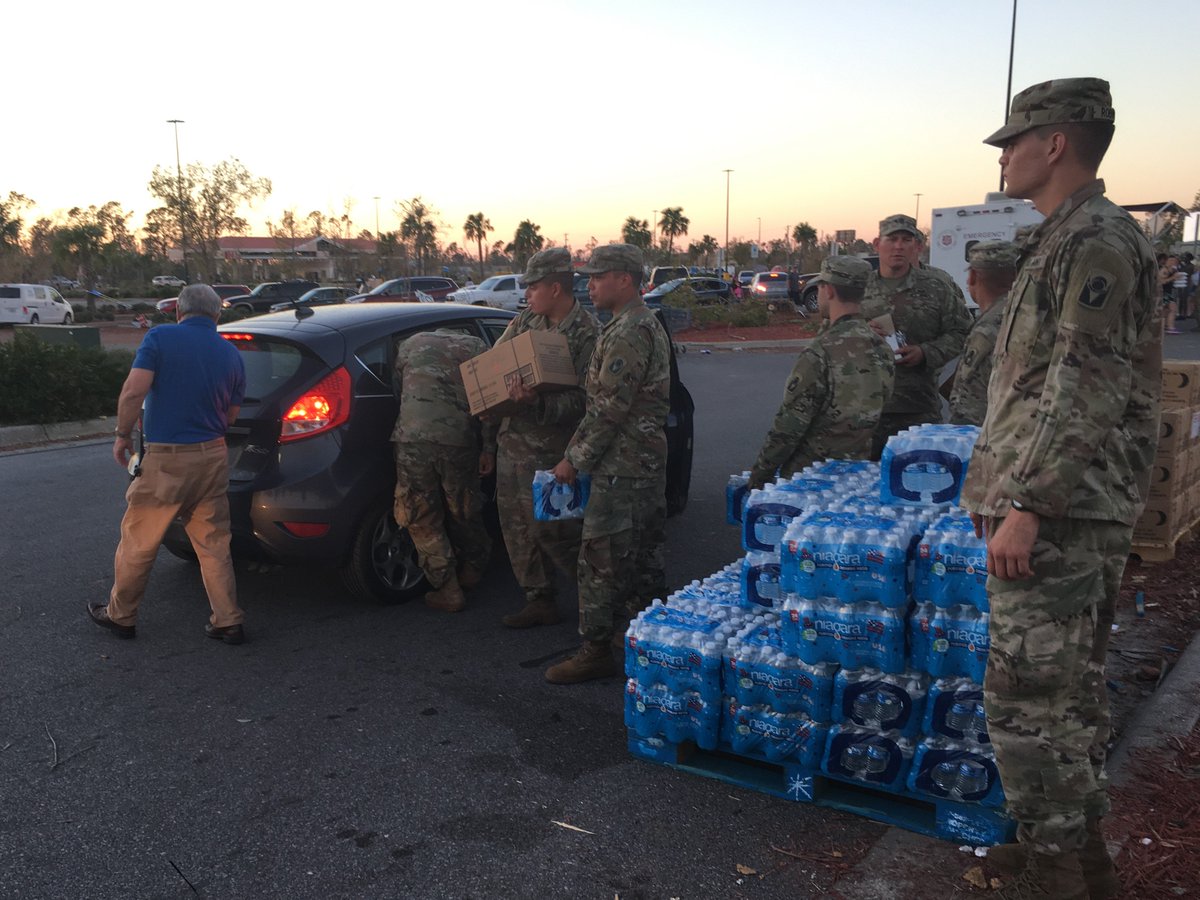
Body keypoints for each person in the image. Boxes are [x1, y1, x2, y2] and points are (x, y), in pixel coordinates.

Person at [962, 78, 1160, 900]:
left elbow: (1084, 387)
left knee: (1027, 702)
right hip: (1056, 509)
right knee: (1066, 698)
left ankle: (1055, 875)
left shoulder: (1094, 242)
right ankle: (1076, 857)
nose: (1003, 155)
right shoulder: (1062, 237)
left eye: (1014, 140)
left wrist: (1029, 506)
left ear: (1055, 145)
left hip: (1060, 516)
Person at [89, 284, 247, 644]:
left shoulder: (160, 338)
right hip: (213, 457)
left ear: (178, 311)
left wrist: (122, 434)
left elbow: (133, 391)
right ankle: (228, 620)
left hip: (167, 461)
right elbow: (232, 416)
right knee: (213, 544)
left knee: (139, 541)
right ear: (217, 316)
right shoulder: (232, 354)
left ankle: (122, 616)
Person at [547, 244, 670, 684]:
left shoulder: (629, 331)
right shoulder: (630, 325)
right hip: (636, 462)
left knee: (599, 559)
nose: (590, 286)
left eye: (598, 277)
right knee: (639, 559)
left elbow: (608, 408)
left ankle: (595, 649)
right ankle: (649, 640)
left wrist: (572, 460)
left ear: (624, 279)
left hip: (624, 466)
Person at [481, 247, 598, 628]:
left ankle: (598, 607)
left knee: (559, 534)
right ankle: (539, 598)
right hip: (512, 446)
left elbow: (589, 402)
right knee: (516, 527)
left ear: (555, 288)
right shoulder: (526, 322)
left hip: (553, 452)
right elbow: (493, 367)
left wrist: (537, 404)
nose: (527, 293)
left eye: (533, 286)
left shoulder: (586, 334)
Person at [748, 256, 894, 488]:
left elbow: (788, 427)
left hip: (811, 475)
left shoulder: (820, 352)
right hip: (858, 473)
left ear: (829, 290)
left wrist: (759, 477)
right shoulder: (881, 346)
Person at [392, 329, 492, 613]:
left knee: (420, 514)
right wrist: (488, 449)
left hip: (413, 439)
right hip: (459, 439)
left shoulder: (409, 344)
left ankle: (447, 587)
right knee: (463, 506)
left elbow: (398, 391)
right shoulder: (477, 345)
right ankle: (473, 567)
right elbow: (489, 403)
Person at [863, 214, 973, 459]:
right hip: (865, 412)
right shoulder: (859, 288)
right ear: (876, 244)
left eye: (906, 239)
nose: (899, 246)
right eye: (892, 239)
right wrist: (861, 334)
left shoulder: (936, 287)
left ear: (916, 245)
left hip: (918, 410)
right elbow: (831, 335)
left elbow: (964, 332)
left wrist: (926, 352)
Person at [947, 240, 1019, 426]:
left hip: (986, 433)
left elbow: (966, 401)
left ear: (972, 277)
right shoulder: (1022, 313)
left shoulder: (986, 329)